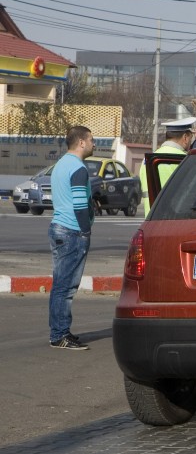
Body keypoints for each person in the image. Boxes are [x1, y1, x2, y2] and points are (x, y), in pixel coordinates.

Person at [48, 126, 95, 350]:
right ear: (82, 142)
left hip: (59, 228)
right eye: (92, 140)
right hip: (72, 231)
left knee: (61, 284)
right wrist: (85, 231)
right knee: (65, 287)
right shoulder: (78, 168)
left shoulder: (61, 164)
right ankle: (59, 335)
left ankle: (61, 331)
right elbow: (78, 203)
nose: (94, 145)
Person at [139, 117, 195, 215]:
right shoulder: (184, 159)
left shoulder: (148, 159)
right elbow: (195, 192)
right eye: (191, 138)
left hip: (151, 221)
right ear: (185, 137)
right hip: (175, 221)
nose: (191, 142)